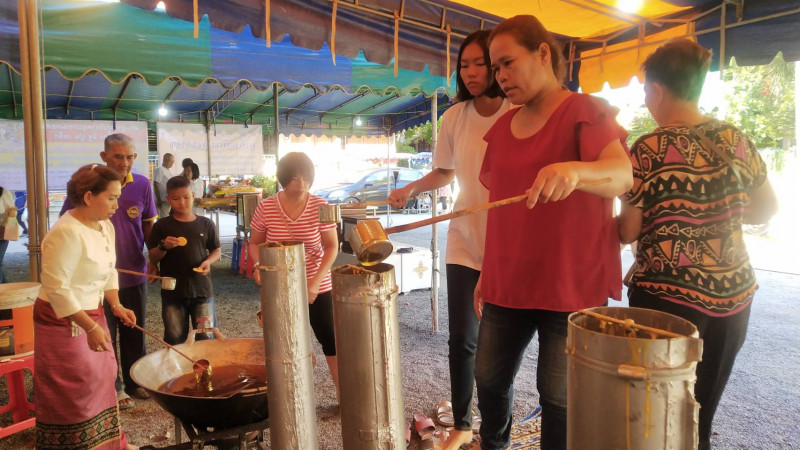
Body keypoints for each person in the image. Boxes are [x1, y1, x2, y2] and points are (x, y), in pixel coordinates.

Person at [473, 15, 632, 450]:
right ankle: (494, 444)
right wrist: (487, 271)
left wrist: (576, 170)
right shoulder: (502, 129)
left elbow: (621, 175)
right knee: (487, 378)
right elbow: (500, 213)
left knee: (559, 398)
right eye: (496, 68)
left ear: (543, 53)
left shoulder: (585, 111)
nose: (501, 76)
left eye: (508, 63)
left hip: (571, 284)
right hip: (508, 279)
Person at [617, 38, 778, 450]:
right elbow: (765, 210)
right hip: (734, 297)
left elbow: (628, 232)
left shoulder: (647, 150)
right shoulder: (736, 139)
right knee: (698, 419)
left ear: (655, 90)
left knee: (654, 418)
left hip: (665, 304)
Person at [388, 29, 511, 449]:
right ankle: (462, 422)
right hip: (464, 242)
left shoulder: (518, 111)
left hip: (509, 246)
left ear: (497, 65)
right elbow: (444, 171)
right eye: (465, 64)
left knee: (498, 351)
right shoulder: (455, 117)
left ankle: (495, 434)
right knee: (463, 338)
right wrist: (410, 189)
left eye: (481, 63)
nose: (472, 72)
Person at [35, 164, 138, 449]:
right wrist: (90, 326)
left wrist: (116, 304)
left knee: (102, 376)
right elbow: (57, 290)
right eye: (111, 198)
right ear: (89, 196)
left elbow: (109, 269)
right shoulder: (65, 232)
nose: (117, 205)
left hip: (92, 313)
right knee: (73, 385)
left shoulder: (104, 225)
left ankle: (108, 443)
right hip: (61, 319)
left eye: (118, 197)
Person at [61, 133, 157, 410]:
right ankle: (114, 388)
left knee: (134, 328)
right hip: (98, 278)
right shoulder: (89, 186)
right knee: (105, 331)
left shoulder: (142, 184)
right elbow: (71, 222)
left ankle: (135, 380)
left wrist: (154, 257)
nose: (125, 162)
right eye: (118, 156)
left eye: (130, 156)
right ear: (104, 156)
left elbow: (149, 224)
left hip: (133, 272)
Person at [247, 152, 340, 397]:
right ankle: (288, 394)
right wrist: (258, 267)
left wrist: (315, 282)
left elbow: (332, 247)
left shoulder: (320, 205)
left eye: (306, 178)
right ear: (283, 178)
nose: (301, 184)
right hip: (279, 282)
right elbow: (254, 243)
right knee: (283, 340)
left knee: (329, 338)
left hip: (317, 280)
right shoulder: (266, 206)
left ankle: (344, 394)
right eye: (295, 178)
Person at [147, 176, 220, 344]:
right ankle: (179, 370)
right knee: (175, 338)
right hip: (173, 292)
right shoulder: (162, 226)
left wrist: (208, 262)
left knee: (206, 337)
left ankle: (205, 370)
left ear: (193, 195)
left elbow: (216, 250)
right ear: (168, 199)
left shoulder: (206, 224)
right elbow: (153, 257)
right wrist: (163, 246)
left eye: (186, 197)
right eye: (176, 198)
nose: (182, 202)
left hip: (202, 290)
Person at [153, 153, 175, 219]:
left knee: (166, 218)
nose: (172, 163)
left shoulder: (168, 171)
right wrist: (158, 199)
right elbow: (155, 184)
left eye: (173, 161)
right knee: (162, 219)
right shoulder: (160, 169)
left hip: (167, 199)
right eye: (170, 161)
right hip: (161, 200)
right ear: (164, 160)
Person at [0, 185, 14, 283]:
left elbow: (12, 211)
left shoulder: (4, 192)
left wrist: (12, 226)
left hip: (1, 234)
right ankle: (5, 288)